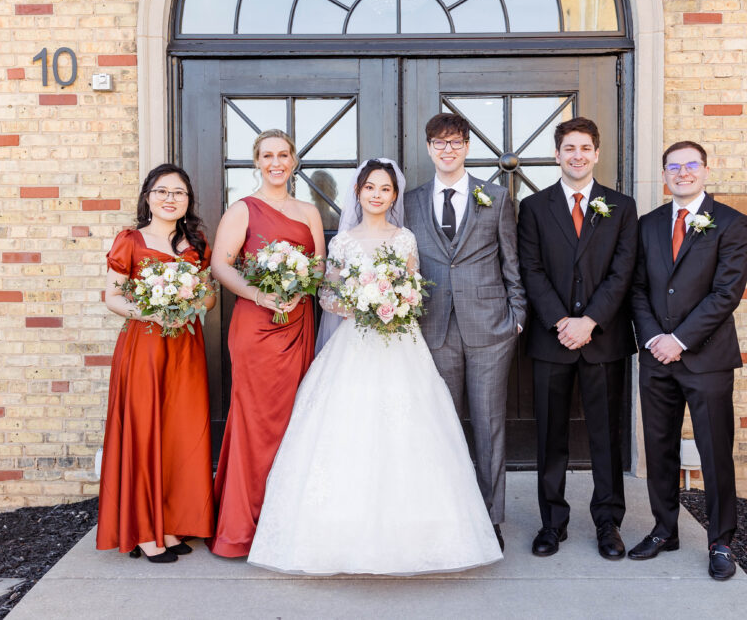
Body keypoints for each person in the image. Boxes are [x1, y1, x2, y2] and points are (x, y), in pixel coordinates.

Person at [247, 159, 502, 575]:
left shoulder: (404, 239)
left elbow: (415, 289)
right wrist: (359, 302)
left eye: (385, 189)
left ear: (394, 196)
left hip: (400, 342)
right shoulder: (343, 241)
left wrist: (398, 302)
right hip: (354, 342)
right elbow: (327, 293)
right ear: (359, 193)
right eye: (370, 188)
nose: (377, 195)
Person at [627, 141, 747, 580]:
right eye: (673, 166)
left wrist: (679, 339)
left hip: (707, 358)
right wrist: (654, 340)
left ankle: (721, 541)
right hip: (656, 357)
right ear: (664, 175)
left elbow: (726, 293)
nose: (682, 172)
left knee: (715, 452)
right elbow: (637, 288)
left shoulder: (733, 223)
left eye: (690, 165)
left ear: (705, 170)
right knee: (658, 449)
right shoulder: (648, 225)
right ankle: (665, 529)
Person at [516, 117, 638, 559]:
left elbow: (623, 271)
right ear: (557, 155)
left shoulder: (621, 207)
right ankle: (552, 523)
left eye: (585, 147)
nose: (577, 155)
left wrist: (590, 322)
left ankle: (608, 524)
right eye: (569, 148)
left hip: (603, 340)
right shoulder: (533, 207)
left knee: (606, 438)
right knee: (551, 437)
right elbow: (530, 269)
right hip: (552, 340)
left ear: (597, 154)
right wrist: (561, 321)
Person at [403, 113, 526, 550]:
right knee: (443, 427)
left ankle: (491, 520)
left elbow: (511, 261)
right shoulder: (411, 201)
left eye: (455, 142)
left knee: (490, 425)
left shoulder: (495, 195)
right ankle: (451, 517)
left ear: (468, 146)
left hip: (491, 327)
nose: (447, 149)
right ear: (430, 148)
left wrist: (518, 315)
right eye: (439, 142)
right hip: (434, 327)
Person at [207, 130, 325, 558]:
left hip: (297, 322)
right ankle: (242, 528)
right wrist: (260, 294)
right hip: (256, 327)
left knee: (296, 421)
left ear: (294, 160)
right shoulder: (242, 209)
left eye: (283, 155)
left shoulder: (309, 211)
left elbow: (319, 265)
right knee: (256, 423)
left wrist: (300, 288)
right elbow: (220, 264)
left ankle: (286, 524)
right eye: (267, 156)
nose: (276, 162)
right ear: (256, 162)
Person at [97, 164, 217, 563]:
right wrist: (151, 312)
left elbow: (210, 297)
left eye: (179, 193)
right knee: (146, 431)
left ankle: (170, 523)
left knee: (180, 432)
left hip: (185, 345)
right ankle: (145, 534)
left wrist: (193, 300)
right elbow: (113, 298)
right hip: (146, 345)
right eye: (162, 191)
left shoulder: (196, 243)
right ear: (148, 197)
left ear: (188, 201)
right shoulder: (130, 240)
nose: (170, 199)